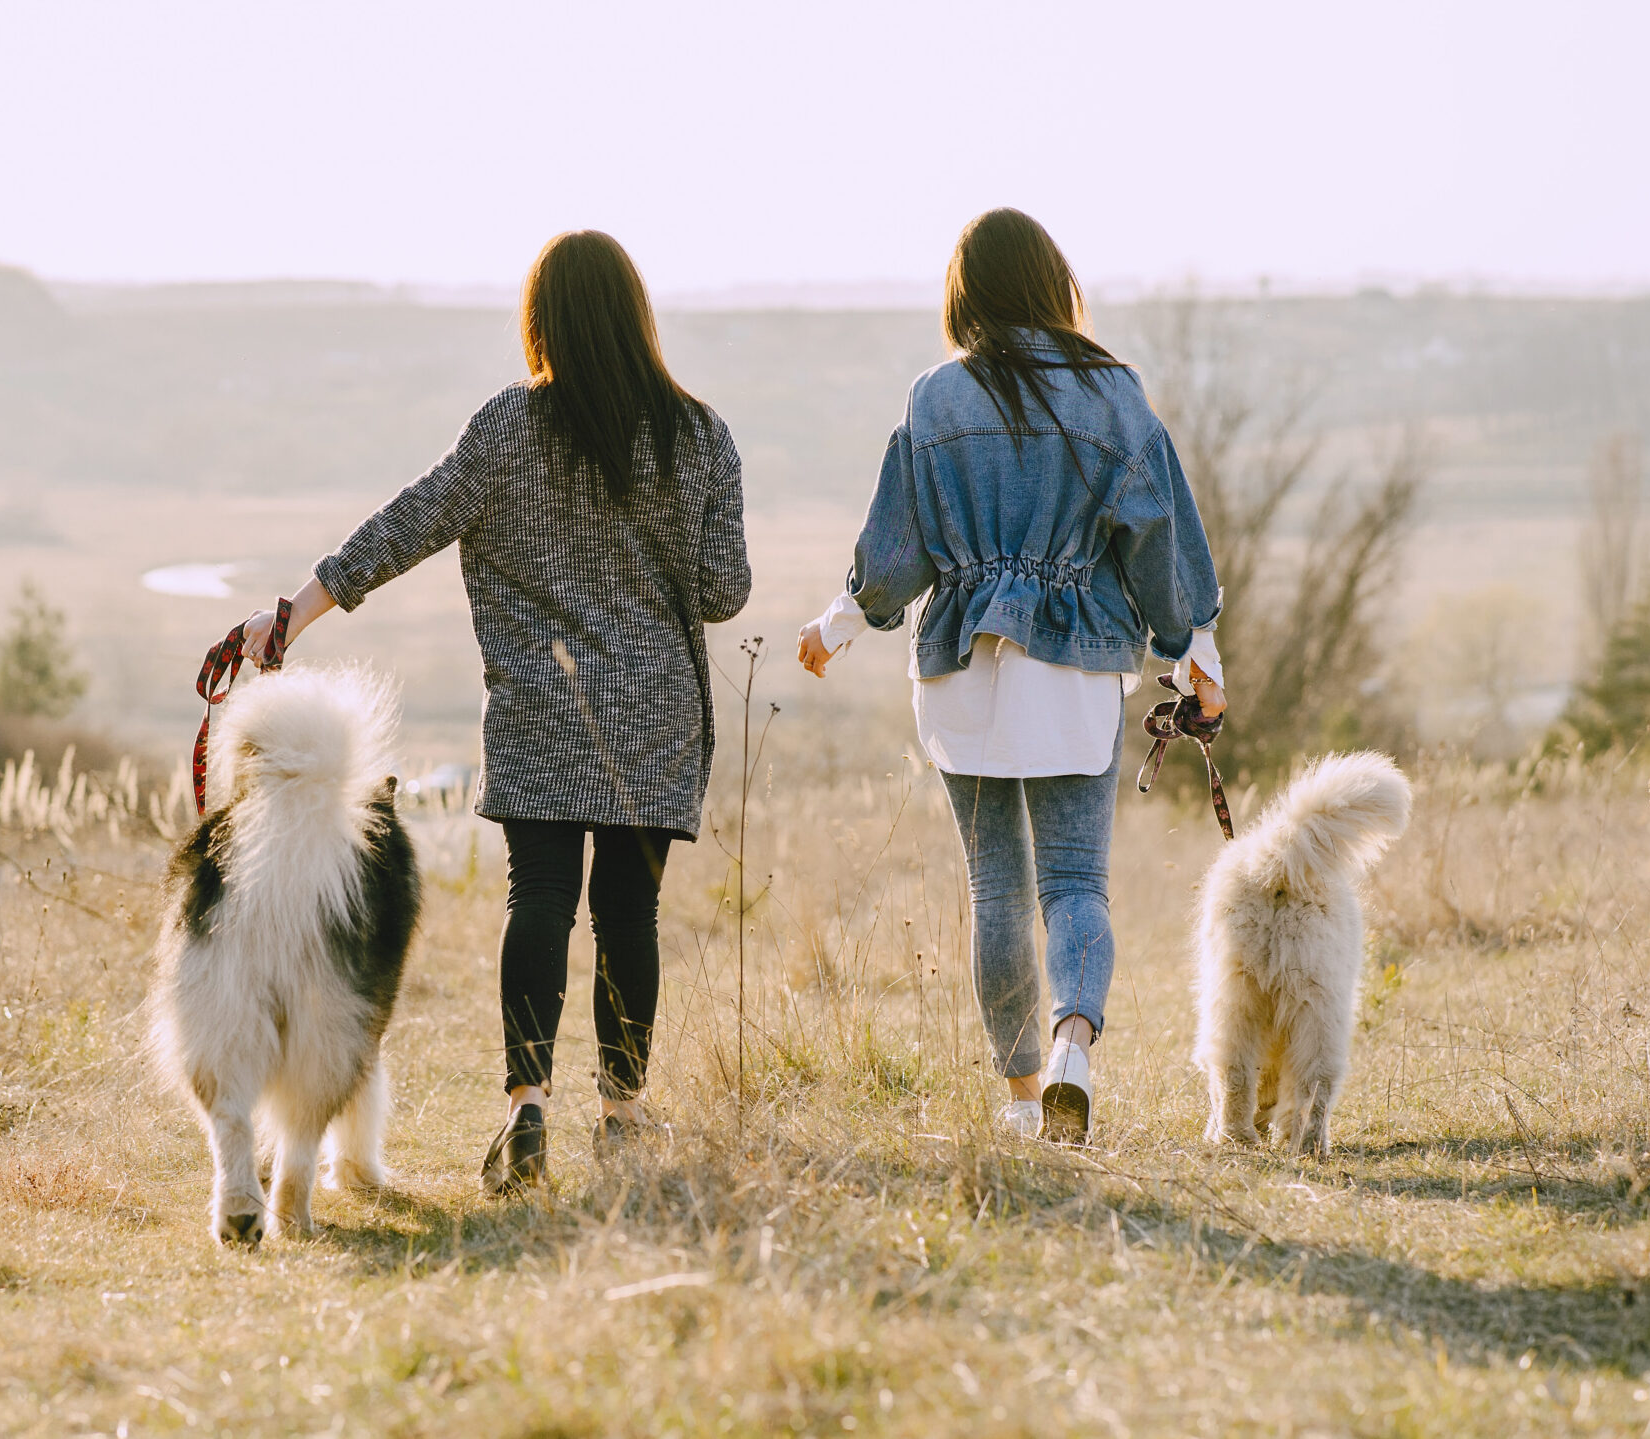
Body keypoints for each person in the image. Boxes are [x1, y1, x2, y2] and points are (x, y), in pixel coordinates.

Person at [236, 230, 750, 1191]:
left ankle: (526, 1107)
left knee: (541, 900)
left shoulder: (510, 428)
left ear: (541, 320)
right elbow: (725, 591)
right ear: (638, 315)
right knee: (628, 912)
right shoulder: (698, 434)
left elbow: (412, 521)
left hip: (542, 708)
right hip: (655, 716)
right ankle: (625, 1115)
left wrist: (294, 613)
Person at [796, 209, 1223, 1145]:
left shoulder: (933, 399)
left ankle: (1025, 1100)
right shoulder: (1115, 396)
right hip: (1075, 670)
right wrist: (1196, 658)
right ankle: (1075, 1043)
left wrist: (837, 625)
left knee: (996, 887)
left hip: (963, 672)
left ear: (966, 293)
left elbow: (895, 557)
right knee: (1076, 882)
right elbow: (1161, 549)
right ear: (1051, 281)